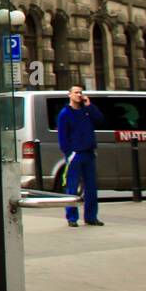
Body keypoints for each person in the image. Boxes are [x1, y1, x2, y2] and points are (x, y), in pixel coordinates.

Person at [57, 84, 106, 228]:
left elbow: (100, 121)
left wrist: (90, 106)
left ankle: (91, 217)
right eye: (76, 92)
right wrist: (69, 152)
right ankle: (72, 217)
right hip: (75, 155)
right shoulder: (65, 113)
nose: (79, 95)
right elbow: (63, 137)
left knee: (91, 187)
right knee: (72, 187)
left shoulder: (87, 111)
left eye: (81, 92)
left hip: (89, 153)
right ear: (69, 95)